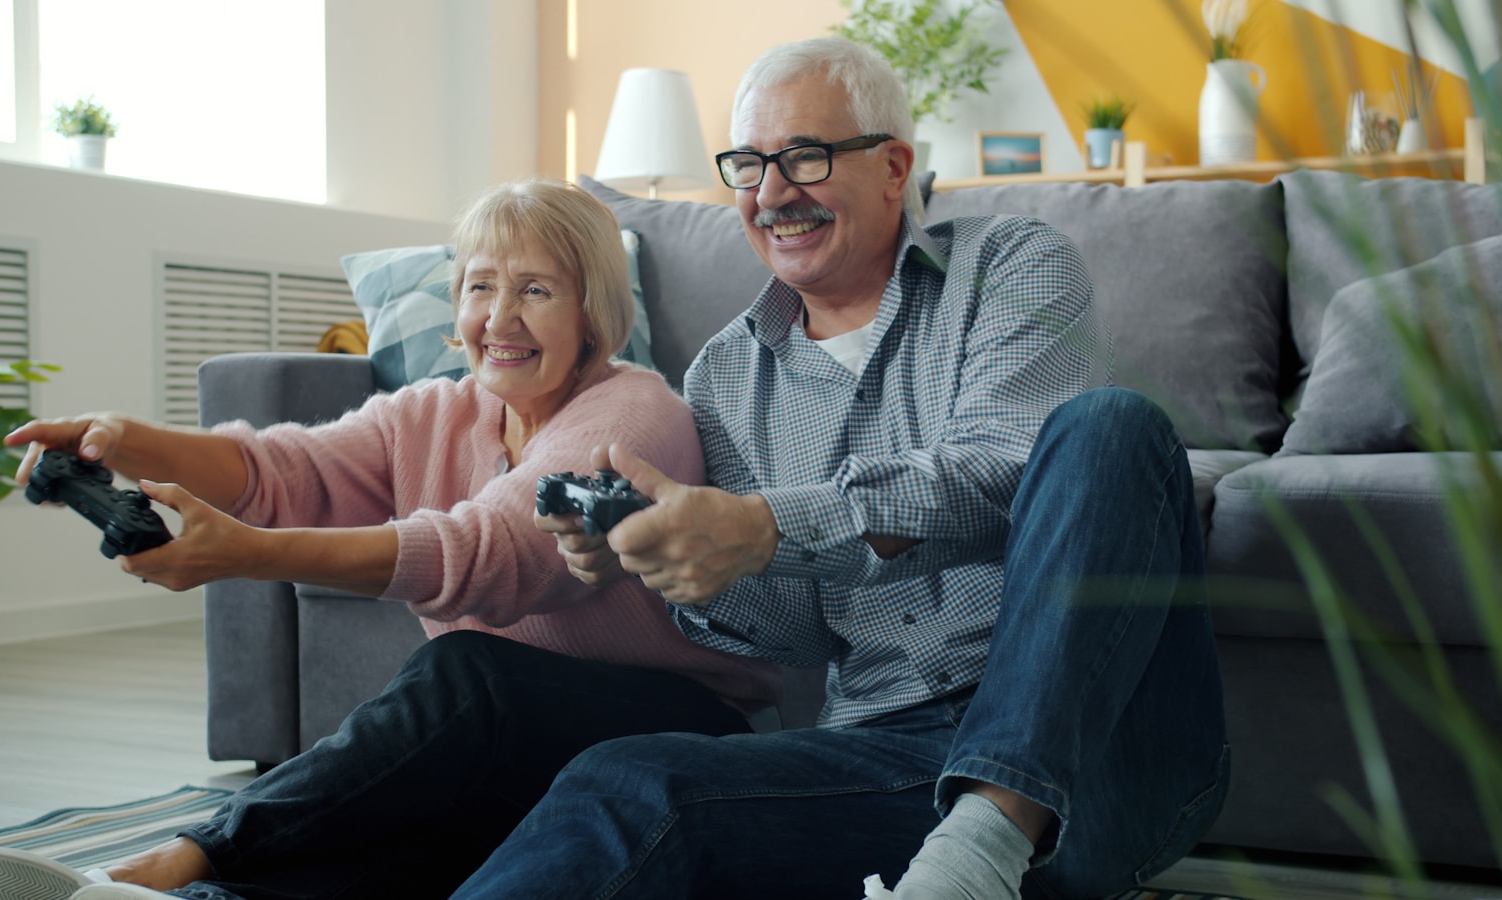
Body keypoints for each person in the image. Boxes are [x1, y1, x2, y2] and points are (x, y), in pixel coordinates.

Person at [455, 37, 1229, 900]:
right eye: (748, 165)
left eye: (805, 158)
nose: (772, 193)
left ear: (894, 167)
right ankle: (962, 867)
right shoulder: (724, 374)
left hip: (1101, 746)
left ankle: (981, 848)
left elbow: (1001, 475)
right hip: (890, 756)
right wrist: (664, 559)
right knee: (625, 785)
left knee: (1109, 428)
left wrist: (768, 524)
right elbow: (797, 633)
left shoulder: (1012, 265)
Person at [0, 179, 779, 900]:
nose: (499, 317)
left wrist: (246, 554)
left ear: (593, 308)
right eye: (480, 287)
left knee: (464, 672)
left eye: (536, 290)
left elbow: (498, 554)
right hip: (513, 741)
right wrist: (121, 439)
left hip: (671, 728)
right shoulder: (436, 411)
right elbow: (279, 469)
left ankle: (174, 861)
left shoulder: (638, 415)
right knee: (383, 834)